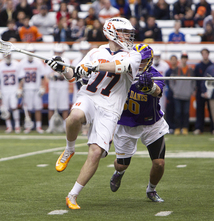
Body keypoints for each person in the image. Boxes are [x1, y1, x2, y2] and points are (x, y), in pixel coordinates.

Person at [44, 17, 141, 209]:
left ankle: (72, 195)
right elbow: (74, 76)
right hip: (90, 96)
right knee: (74, 117)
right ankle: (69, 149)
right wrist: (62, 68)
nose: (128, 36)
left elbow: (122, 67)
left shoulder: (132, 55)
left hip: (111, 106)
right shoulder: (95, 52)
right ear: (111, 33)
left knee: (96, 152)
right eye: (123, 31)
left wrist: (96, 66)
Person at [109, 43, 168, 202]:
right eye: (137, 60)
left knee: (159, 163)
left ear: (149, 61)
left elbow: (158, 91)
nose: (139, 64)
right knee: (121, 165)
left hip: (151, 123)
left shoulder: (155, 75)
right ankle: (119, 173)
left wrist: (148, 86)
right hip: (126, 123)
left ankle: (151, 189)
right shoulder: (120, 72)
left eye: (143, 61)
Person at [0, 54, 24, 133]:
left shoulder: (17, 64)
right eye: (6, 55)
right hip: (4, 90)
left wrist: (20, 88)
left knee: (14, 107)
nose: (8, 57)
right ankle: (9, 126)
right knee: (5, 109)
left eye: (9, 55)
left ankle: (17, 126)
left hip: (14, 89)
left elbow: (21, 78)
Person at [19, 44, 46, 134]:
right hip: (27, 89)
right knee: (28, 109)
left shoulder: (38, 62)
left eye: (32, 52)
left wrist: (43, 87)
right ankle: (28, 126)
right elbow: (21, 78)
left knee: (38, 108)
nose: (30, 54)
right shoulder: (22, 63)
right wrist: (20, 88)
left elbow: (42, 76)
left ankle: (38, 126)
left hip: (36, 88)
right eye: (29, 52)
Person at [46, 43, 70, 134]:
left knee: (64, 107)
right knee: (51, 107)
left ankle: (65, 126)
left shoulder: (66, 59)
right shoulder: (50, 59)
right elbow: (47, 74)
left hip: (63, 85)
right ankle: (50, 126)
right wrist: (52, 76)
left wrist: (60, 75)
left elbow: (69, 72)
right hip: (53, 85)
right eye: (57, 52)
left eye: (59, 52)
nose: (58, 53)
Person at [169, 52, 195, 135]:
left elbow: (193, 82)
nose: (184, 60)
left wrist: (191, 91)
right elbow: (171, 81)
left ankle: (185, 128)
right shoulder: (176, 69)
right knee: (178, 112)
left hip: (187, 95)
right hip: (178, 95)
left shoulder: (190, 70)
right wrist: (175, 90)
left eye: (185, 58)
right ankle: (177, 128)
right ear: (181, 59)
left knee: (186, 113)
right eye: (183, 58)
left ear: (187, 59)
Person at [193, 48, 213, 135]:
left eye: (206, 53)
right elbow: (195, 80)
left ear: (208, 54)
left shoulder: (212, 65)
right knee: (199, 110)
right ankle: (199, 128)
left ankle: (213, 128)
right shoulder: (198, 66)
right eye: (203, 54)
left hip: (211, 91)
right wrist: (196, 89)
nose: (205, 55)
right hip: (200, 91)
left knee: (211, 110)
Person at [165, 55, 178, 133]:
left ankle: (177, 127)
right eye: (172, 59)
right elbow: (167, 83)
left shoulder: (178, 70)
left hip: (178, 93)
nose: (173, 61)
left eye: (174, 59)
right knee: (169, 111)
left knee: (178, 111)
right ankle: (170, 127)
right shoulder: (168, 71)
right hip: (170, 93)